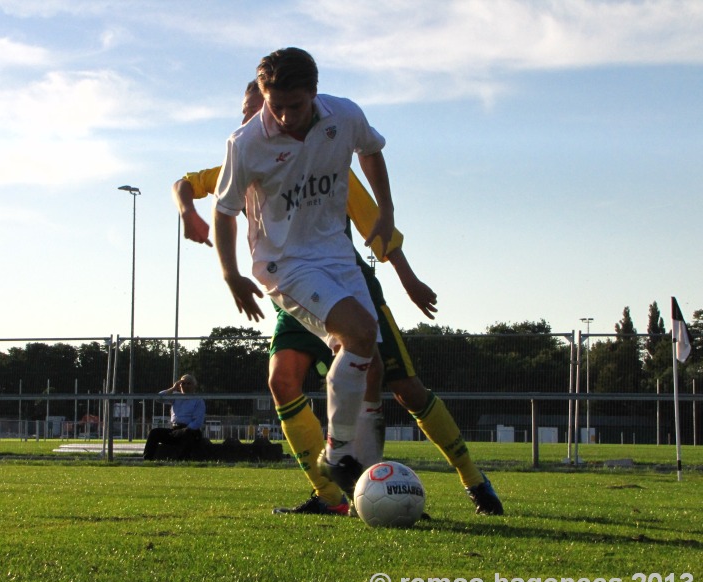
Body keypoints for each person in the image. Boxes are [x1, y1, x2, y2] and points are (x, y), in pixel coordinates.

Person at [177, 80, 503, 515]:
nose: (254, 119)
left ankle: (471, 481)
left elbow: (376, 226)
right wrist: (189, 214)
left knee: (402, 387)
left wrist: (408, 278)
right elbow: (185, 183)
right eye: (248, 111)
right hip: (293, 293)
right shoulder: (245, 152)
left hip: (344, 284)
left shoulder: (324, 157)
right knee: (281, 381)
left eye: (258, 110)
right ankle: (333, 496)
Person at [213, 47, 392, 501]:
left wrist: (386, 211)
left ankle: (368, 493)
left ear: (314, 92)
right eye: (277, 107)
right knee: (358, 333)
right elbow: (224, 209)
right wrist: (231, 273)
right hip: (284, 263)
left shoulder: (344, 115)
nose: (287, 116)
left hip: (336, 253)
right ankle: (335, 455)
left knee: (369, 362)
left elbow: (370, 150)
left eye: (296, 105)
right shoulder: (245, 143)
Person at [143, 374, 206, 461]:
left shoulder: (198, 400)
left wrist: (186, 429)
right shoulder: (176, 396)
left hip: (190, 430)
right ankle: (147, 460)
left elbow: (198, 421)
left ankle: (181, 461)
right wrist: (173, 388)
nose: (186, 386)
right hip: (175, 429)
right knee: (154, 433)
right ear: (179, 385)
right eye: (183, 383)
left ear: (194, 386)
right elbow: (159, 398)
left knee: (187, 434)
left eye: (189, 383)